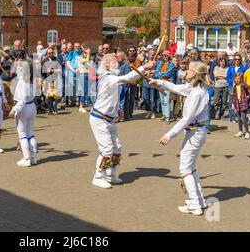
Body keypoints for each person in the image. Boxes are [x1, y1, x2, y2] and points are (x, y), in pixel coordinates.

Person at [150, 61, 211, 216]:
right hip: (196, 131)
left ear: (195, 73)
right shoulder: (194, 87)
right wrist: (158, 81)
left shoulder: (197, 92)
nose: (187, 72)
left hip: (195, 131)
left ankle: (195, 205)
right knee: (190, 167)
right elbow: (177, 88)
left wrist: (169, 135)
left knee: (185, 169)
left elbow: (186, 118)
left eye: (190, 70)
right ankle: (200, 200)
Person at [90, 54, 152, 189]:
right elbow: (127, 78)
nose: (116, 64)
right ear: (106, 65)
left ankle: (111, 174)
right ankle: (98, 176)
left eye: (116, 62)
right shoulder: (108, 78)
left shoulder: (112, 78)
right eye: (113, 62)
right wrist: (143, 67)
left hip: (109, 119)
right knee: (107, 149)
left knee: (117, 147)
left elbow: (115, 94)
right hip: (99, 118)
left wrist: (117, 109)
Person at [9, 59, 39, 166]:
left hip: (24, 108)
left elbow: (21, 101)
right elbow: (19, 73)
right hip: (32, 106)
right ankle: (34, 157)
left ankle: (26, 159)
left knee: (22, 134)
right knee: (30, 133)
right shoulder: (33, 80)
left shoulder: (22, 82)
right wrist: (18, 64)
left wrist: (13, 110)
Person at [154, 50, 176, 122]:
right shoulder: (160, 63)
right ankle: (164, 114)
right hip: (160, 83)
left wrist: (160, 73)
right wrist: (160, 74)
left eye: (166, 56)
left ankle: (167, 116)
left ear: (169, 56)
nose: (164, 57)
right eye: (163, 56)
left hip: (167, 84)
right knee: (162, 100)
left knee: (166, 100)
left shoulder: (171, 64)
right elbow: (156, 73)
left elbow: (168, 73)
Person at [232, 73, 250, 139]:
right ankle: (240, 131)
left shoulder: (243, 85)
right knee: (239, 119)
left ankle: (247, 132)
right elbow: (234, 96)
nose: (237, 80)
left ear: (241, 79)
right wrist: (233, 104)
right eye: (236, 79)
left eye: (239, 79)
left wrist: (249, 96)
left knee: (243, 119)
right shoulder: (235, 86)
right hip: (237, 104)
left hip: (243, 104)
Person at [226, 54, 248, 122]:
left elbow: (245, 77)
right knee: (231, 102)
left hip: (240, 87)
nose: (237, 61)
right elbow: (228, 77)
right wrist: (233, 82)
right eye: (236, 59)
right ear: (234, 60)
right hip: (232, 86)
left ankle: (239, 117)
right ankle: (232, 117)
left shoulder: (243, 68)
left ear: (240, 60)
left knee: (239, 102)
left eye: (238, 59)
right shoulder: (230, 68)